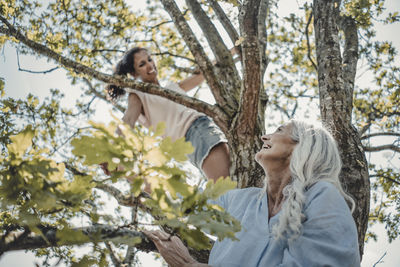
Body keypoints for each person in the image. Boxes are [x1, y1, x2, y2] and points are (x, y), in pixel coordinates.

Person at [144, 120, 361, 267]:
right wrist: (133, 170)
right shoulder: (239, 199)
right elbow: (182, 199)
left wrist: (188, 265)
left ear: (302, 146)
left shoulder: (322, 197)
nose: (265, 137)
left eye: (278, 131)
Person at [105, 47, 231, 181]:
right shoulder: (139, 94)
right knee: (227, 186)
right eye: (142, 64)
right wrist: (112, 152)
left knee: (235, 181)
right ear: (134, 73)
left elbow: (205, 72)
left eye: (149, 59)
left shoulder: (172, 87)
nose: (149, 65)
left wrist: (233, 50)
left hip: (206, 128)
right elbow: (128, 119)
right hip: (193, 134)